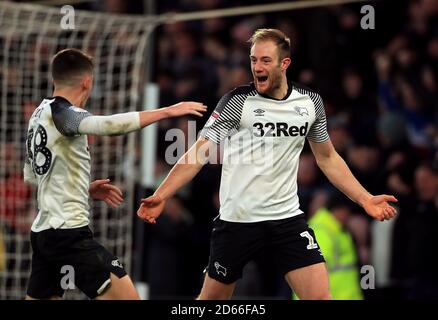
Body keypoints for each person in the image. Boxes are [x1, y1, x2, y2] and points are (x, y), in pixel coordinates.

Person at [137, 29, 397, 300]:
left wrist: (364, 198)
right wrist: (162, 194)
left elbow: (328, 158)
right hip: (238, 220)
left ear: (284, 64)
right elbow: (197, 154)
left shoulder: (310, 103)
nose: (256, 67)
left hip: (286, 219)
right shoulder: (237, 101)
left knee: (320, 297)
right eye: (253, 60)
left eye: (264, 61)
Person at [23, 48, 206, 300]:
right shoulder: (64, 114)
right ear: (87, 82)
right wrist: (167, 111)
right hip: (68, 234)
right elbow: (106, 126)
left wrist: (84, 189)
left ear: (55, 79)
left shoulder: (38, 116)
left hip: (44, 233)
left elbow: (34, 176)